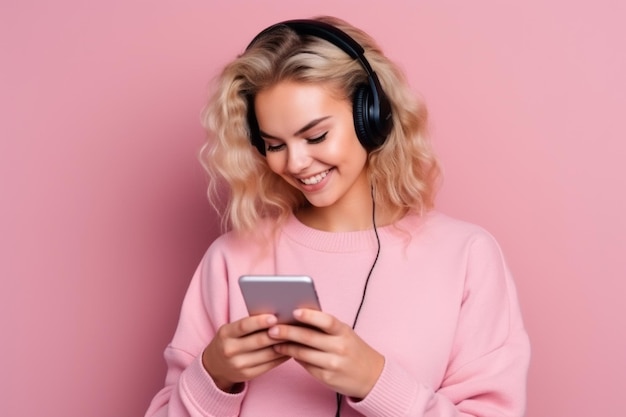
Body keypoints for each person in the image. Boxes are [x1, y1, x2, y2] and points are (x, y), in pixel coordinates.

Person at [145, 16, 530, 417]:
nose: (294, 162)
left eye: (315, 137)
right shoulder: (231, 257)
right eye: (274, 144)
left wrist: (375, 382)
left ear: (372, 117)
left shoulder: (466, 256)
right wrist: (215, 375)